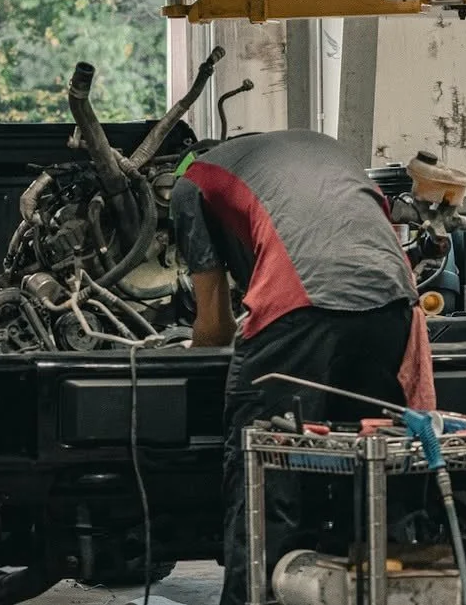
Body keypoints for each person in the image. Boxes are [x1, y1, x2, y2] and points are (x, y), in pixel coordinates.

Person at [170, 128, 435, 605]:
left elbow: (213, 326)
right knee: (375, 462)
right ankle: (385, 592)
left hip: (300, 305)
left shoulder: (192, 180)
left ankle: (253, 597)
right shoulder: (327, 150)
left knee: (266, 465)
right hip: (394, 303)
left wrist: (183, 350)